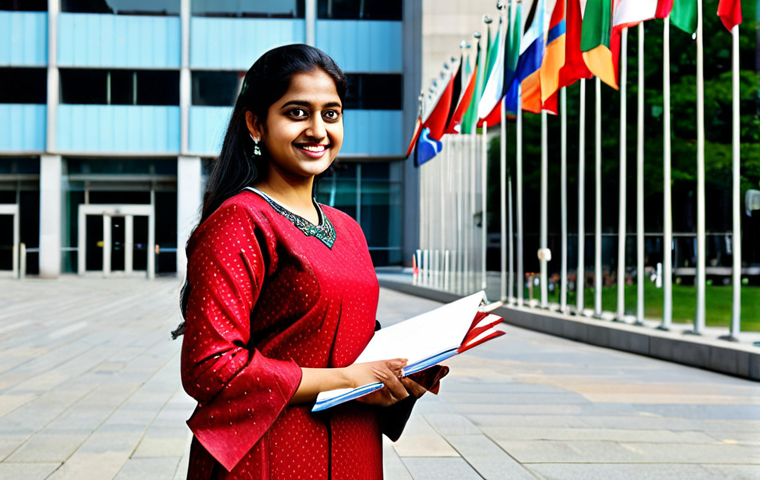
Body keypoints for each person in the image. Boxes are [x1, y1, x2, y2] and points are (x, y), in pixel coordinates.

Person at [176, 44, 427, 480]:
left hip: (354, 447)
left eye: (331, 114)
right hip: (270, 453)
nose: (318, 130)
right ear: (256, 123)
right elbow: (209, 367)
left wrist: (397, 378)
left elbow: (351, 341)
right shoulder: (240, 220)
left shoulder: (348, 228)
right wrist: (347, 380)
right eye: (297, 113)